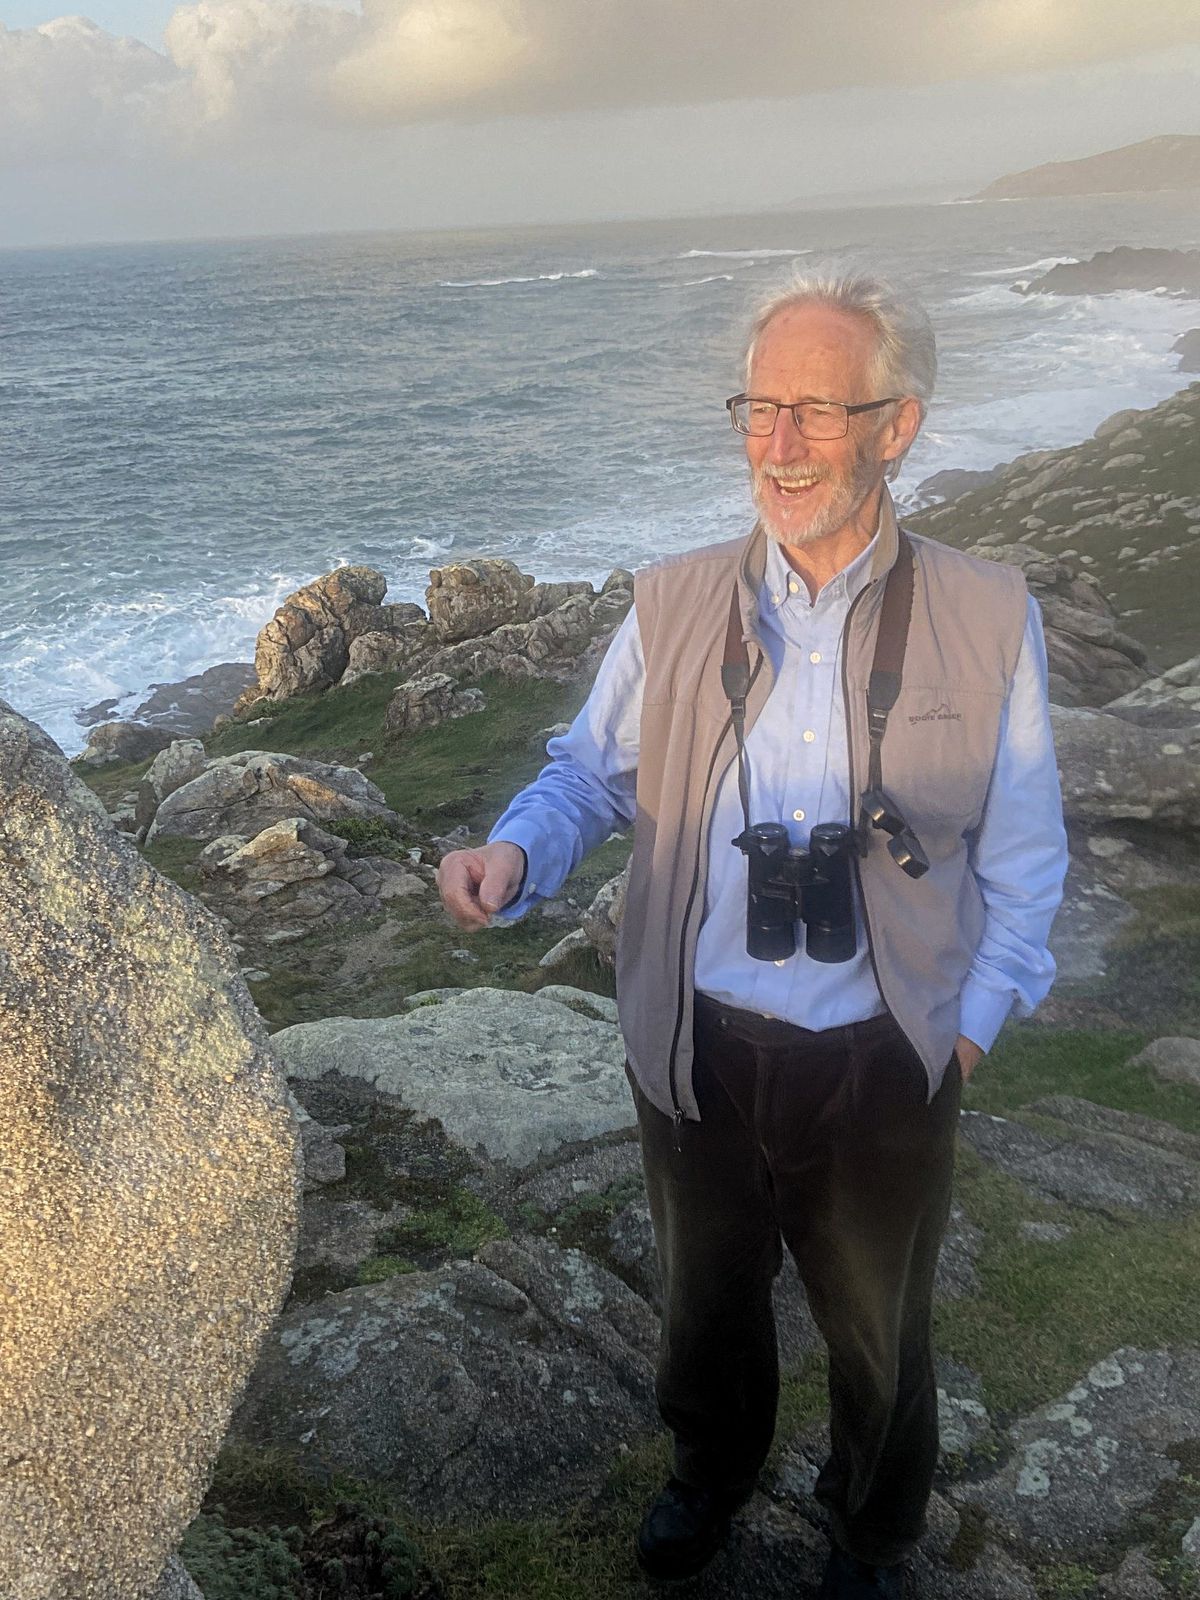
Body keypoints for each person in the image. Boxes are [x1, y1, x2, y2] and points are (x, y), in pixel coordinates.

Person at [437, 266, 1068, 1598]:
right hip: (702, 1045)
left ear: (896, 427)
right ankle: (710, 1475)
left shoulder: (986, 615)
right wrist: (515, 848)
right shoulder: (670, 607)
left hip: (887, 1054)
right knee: (706, 1307)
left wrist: (966, 1034)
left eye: (816, 414)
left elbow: (1025, 862)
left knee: (880, 1335)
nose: (776, 448)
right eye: (757, 409)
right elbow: (586, 775)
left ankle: (873, 1532)